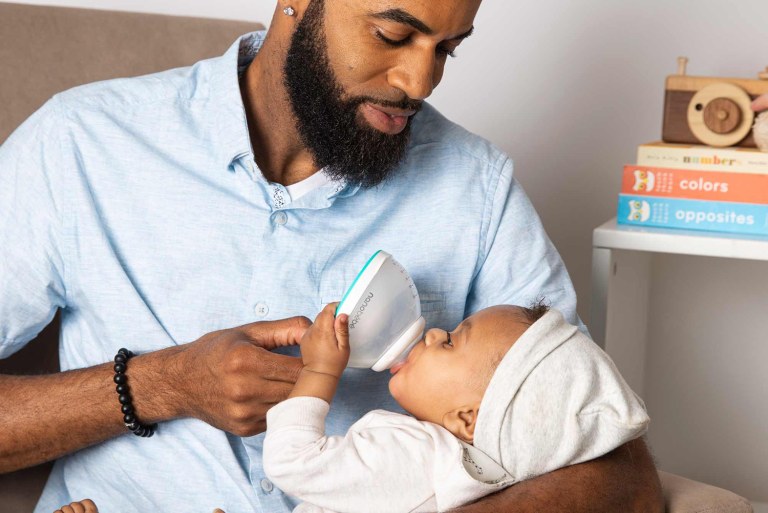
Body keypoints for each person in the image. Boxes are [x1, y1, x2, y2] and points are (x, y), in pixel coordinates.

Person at [0, 1, 664, 512]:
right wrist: (159, 383)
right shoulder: (80, 143)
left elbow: (612, 464)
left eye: (448, 50)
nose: (418, 82)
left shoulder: (477, 189)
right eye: (393, 35)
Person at [263, 302, 649, 512]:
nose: (432, 333)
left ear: (468, 418)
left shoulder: (415, 455)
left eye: (449, 341)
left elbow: (291, 462)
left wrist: (318, 369)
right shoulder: (470, 475)